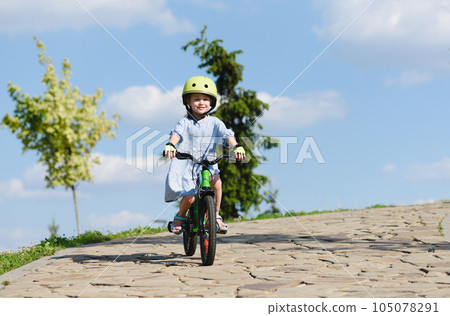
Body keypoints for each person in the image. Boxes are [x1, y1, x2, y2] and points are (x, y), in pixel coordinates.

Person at [164, 76, 245, 235]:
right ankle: (180, 217)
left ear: (212, 102)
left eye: (205, 99)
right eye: (196, 99)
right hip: (188, 164)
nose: (201, 103)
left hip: (208, 163)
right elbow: (177, 134)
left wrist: (236, 146)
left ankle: (215, 216)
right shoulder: (185, 122)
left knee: (217, 183)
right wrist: (171, 144)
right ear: (188, 101)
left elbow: (226, 135)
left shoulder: (215, 122)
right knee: (190, 198)